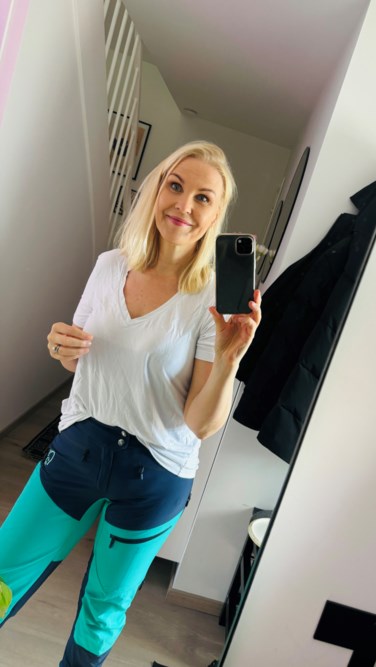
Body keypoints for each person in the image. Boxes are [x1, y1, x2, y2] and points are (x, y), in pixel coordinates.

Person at [0, 140, 261, 666]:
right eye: (175, 186)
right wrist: (60, 346)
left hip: (156, 476)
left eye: (203, 198)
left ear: (216, 215)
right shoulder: (109, 266)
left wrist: (229, 360)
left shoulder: (212, 299)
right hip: (78, 449)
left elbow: (200, 424)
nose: (183, 205)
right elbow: (78, 355)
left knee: (104, 610)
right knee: (3, 572)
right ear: (157, 189)